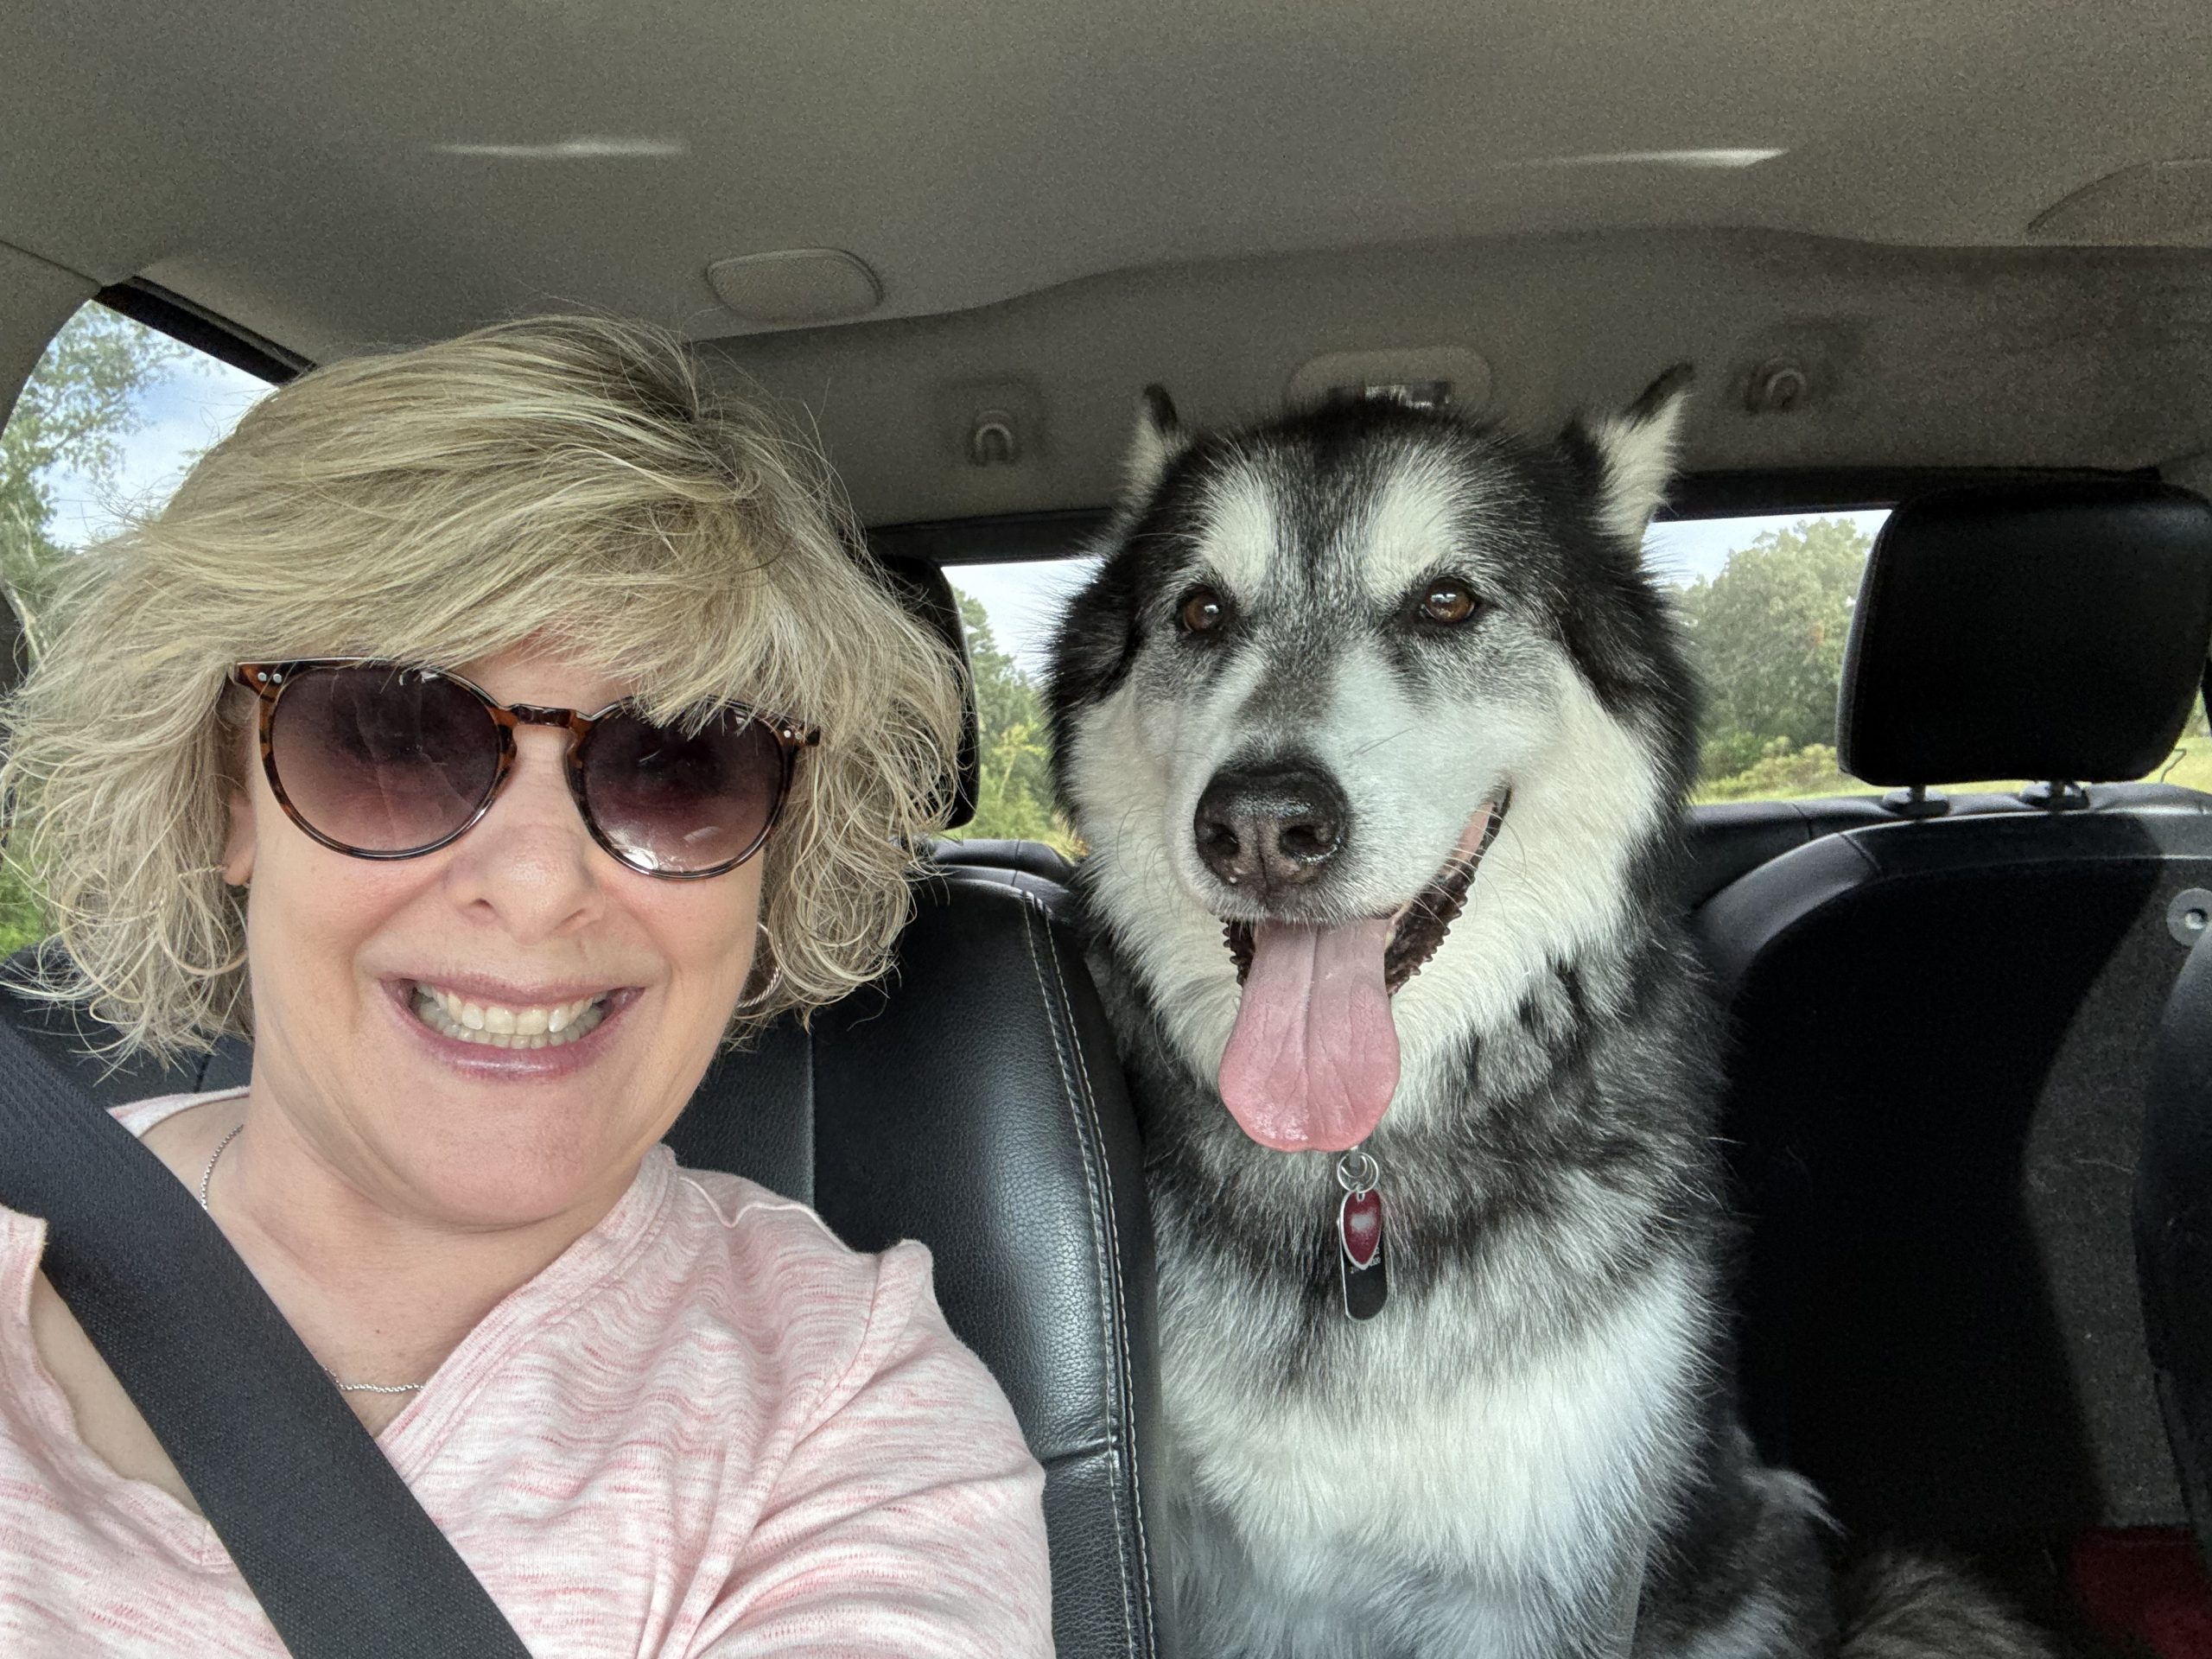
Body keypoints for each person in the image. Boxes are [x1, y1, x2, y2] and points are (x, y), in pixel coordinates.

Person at [0, 316, 1052, 1656]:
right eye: (391, 738)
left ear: (771, 847)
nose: (543, 883)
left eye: (678, 762)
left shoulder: (850, 1412)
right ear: (227, 797)